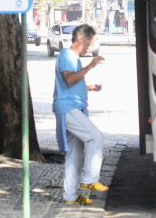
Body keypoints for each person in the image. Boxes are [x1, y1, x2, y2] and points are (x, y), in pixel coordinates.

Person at [53, 24, 107, 205]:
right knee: (95, 138)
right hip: (68, 108)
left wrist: (89, 87)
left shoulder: (71, 57)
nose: (90, 47)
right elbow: (69, 79)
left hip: (71, 106)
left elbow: (72, 82)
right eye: (90, 42)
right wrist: (90, 66)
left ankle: (70, 196)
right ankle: (90, 179)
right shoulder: (68, 55)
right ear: (81, 39)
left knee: (74, 155)